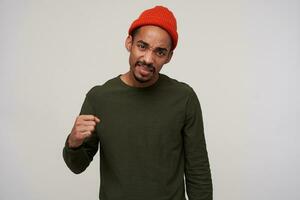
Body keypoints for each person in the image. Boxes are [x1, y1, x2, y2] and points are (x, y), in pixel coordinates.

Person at [63, 5, 213, 200]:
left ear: (169, 57)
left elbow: (198, 168)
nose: (148, 59)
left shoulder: (183, 98)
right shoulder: (99, 98)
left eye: (159, 52)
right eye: (142, 46)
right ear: (129, 43)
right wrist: (73, 143)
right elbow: (77, 166)